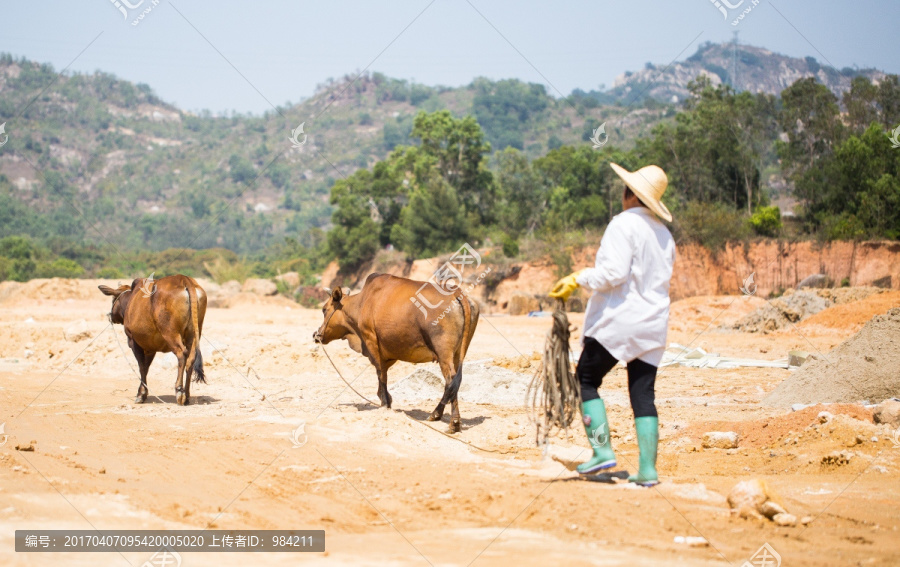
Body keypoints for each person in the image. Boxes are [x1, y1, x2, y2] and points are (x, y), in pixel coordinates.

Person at [549, 163, 675, 487]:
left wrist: (578, 278)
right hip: (654, 323)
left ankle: (602, 451)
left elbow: (612, 275)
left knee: (586, 379)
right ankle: (648, 471)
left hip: (620, 319)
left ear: (629, 194)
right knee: (643, 393)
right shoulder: (664, 233)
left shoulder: (622, 224)